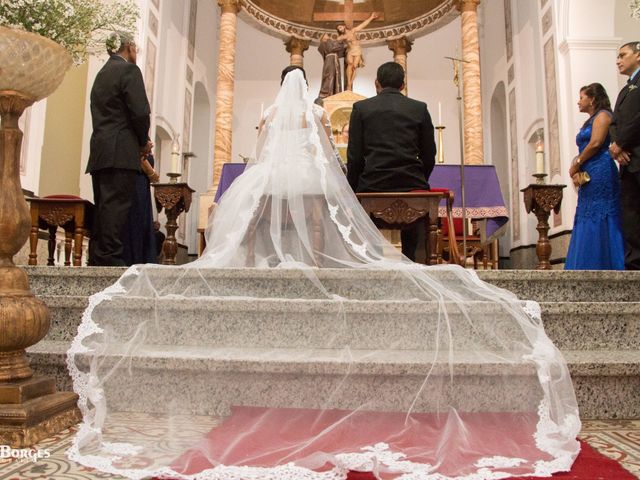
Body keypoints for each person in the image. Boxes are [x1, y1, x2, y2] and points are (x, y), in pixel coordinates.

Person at [67, 67, 580, 480]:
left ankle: (264, 256)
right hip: (314, 175)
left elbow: (275, 148)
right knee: (316, 207)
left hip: (273, 174)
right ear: (309, 90)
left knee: (253, 202)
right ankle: (312, 255)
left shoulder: (272, 113)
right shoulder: (319, 112)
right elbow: (329, 157)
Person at [346, 62, 436, 261]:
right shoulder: (419, 108)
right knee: (414, 236)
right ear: (403, 85)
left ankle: (371, 262)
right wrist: (420, 180)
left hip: (373, 183)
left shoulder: (361, 109)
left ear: (376, 83)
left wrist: (354, 189)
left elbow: (355, 156)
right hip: (411, 183)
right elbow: (429, 154)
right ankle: (415, 262)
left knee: (368, 236)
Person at [86, 32, 152, 266]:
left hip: (100, 152)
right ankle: (110, 258)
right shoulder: (129, 71)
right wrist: (143, 141)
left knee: (104, 205)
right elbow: (140, 111)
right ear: (129, 47)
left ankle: (98, 256)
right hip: (121, 151)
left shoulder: (101, 74)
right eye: (135, 48)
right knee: (116, 207)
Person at [565, 84, 624, 270]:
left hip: (601, 171)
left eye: (581, 97)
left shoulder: (603, 115)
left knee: (602, 212)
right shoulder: (590, 120)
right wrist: (578, 164)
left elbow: (597, 142)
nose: (578, 101)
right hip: (589, 170)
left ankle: (608, 261)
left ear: (592, 99)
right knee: (587, 212)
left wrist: (577, 162)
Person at [610, 41, 640, 270]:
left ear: (638, 56)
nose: (618, 60)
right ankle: (634, 263)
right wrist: (615, 144)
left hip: (635, 152)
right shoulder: (624, 89)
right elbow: (614, 121)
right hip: (627, 160)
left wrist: (621, 143)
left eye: (623, 55)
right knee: (630, 213)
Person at [121, 152, 159, 265]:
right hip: (136, 179)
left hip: (142, 181)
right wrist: (152, 173)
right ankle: (135, 259)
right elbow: (139, 154)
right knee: (136, 220)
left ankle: (139, 259)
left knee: (141, 221)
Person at [336, 12, 379, 91]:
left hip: (357, 49)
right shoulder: (341, 37)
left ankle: (351, 82)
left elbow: (362, 25)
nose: (340, 29)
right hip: (350, 50)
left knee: (354, 67)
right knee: (350, 64)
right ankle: (348, 83)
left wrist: (371, 17)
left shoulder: (353, 31)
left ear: (344, 26)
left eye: (340, 27)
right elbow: (334, 43)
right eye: (338, 29)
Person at [317, 33, 346, 100]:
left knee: (335, 77)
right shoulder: (324, 43)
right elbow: (333, 48)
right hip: (330, 61)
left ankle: (334, 92)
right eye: (326, 35)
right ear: (323, 37)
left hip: (333, 61)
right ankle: (326, 94)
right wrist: (341, 43)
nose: (328, 36)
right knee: (329, 77)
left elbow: (340, 52)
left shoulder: (328, 43)